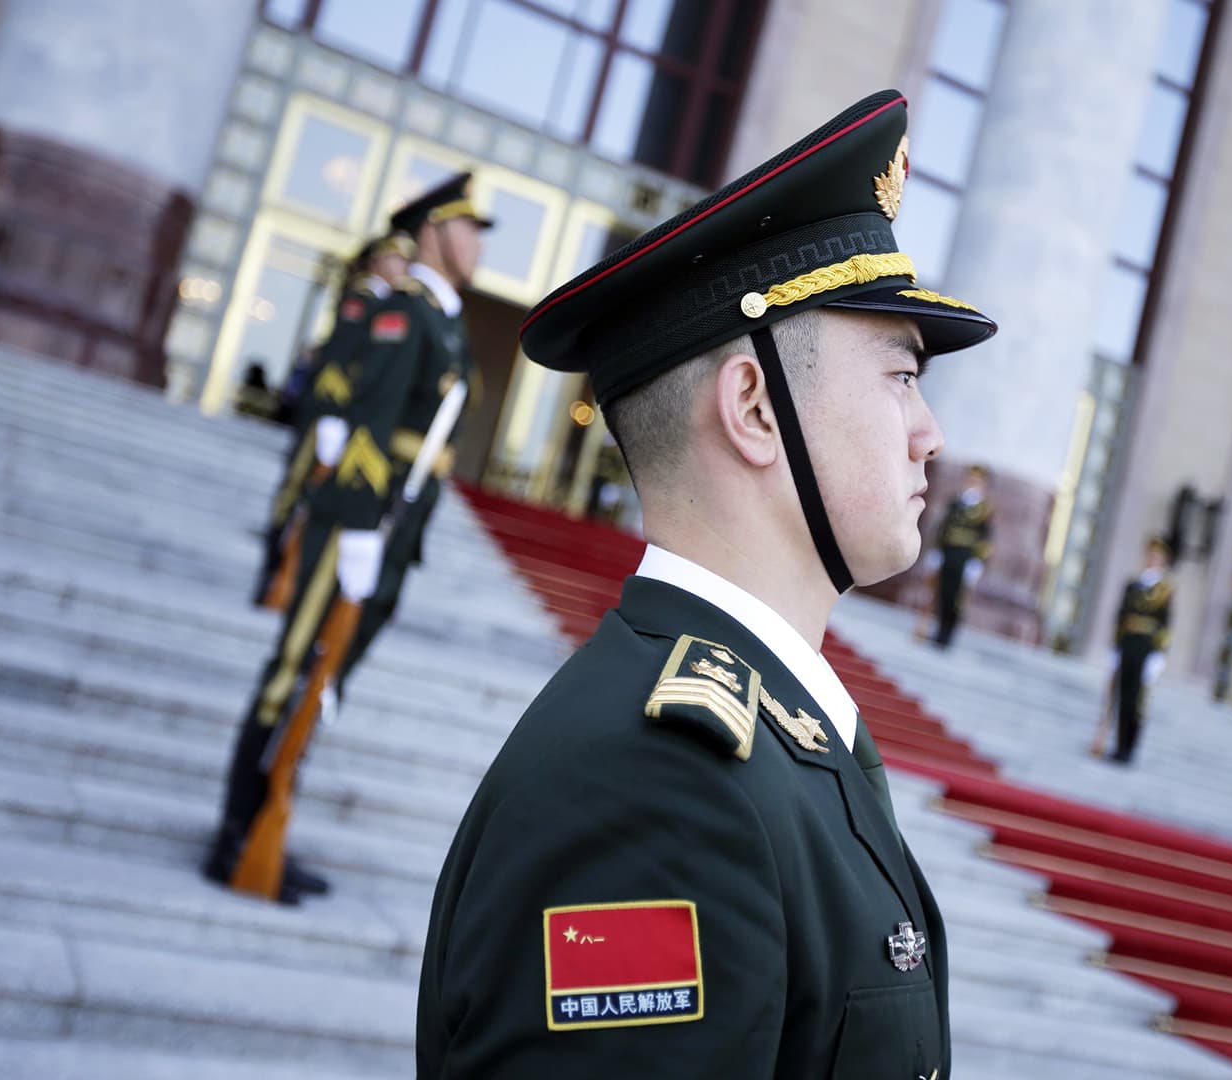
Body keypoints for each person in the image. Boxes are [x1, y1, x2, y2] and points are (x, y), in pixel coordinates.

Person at [416, 90, 995, 1078]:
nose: (929, 431)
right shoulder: (657, 789)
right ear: (756, 409)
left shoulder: (771, 733)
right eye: (902, 376)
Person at [205, 174, 489, 904]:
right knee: (297, 664)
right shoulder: (407, 313)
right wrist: (360, 530)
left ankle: (274, 815)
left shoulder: (448, 321)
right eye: (467, 228)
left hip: (396, 530)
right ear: (432, 234)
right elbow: (367, 421)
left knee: (327, 679)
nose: (478, 244)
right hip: (360, 524)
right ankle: (240, 833)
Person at [252, 230, 416, 605]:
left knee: (314, 493)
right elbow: (340, 357)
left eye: (406, 263)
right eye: (396, 261)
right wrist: (332, 412)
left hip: (349, 415)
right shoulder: (362, 296)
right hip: (330, 410)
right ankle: (272, 564)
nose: (401, 269)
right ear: (378, 261)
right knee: (298, 483)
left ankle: (282, 572)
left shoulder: (388, 303)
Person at [1092, 537, 1173, 763]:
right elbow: (1121, 617)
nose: (1152, 559)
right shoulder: (1133, 584)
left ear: (1162, 560)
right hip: (1127, 644)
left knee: (1135, 701)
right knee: (1119, 695)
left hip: (1145, 648)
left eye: (1157, 557)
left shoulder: (1165, 590)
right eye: (1150, 555)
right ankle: (1116, 745)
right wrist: (1115, 648)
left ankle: (1128, 748)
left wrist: (1158, 656)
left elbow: (1165, 625)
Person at [919, 463, 993, 648]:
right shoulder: (956, 501)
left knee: (956, 599)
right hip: (947, 552)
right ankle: (938, 632)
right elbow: (943, 528)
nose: (972, 482)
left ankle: (947, 635)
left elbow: (985, 537)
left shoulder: (985, 509)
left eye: (977, 480)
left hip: (965, 557)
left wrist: (977, 562)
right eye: (971, 478)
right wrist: (935, 552)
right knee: (942, 593)